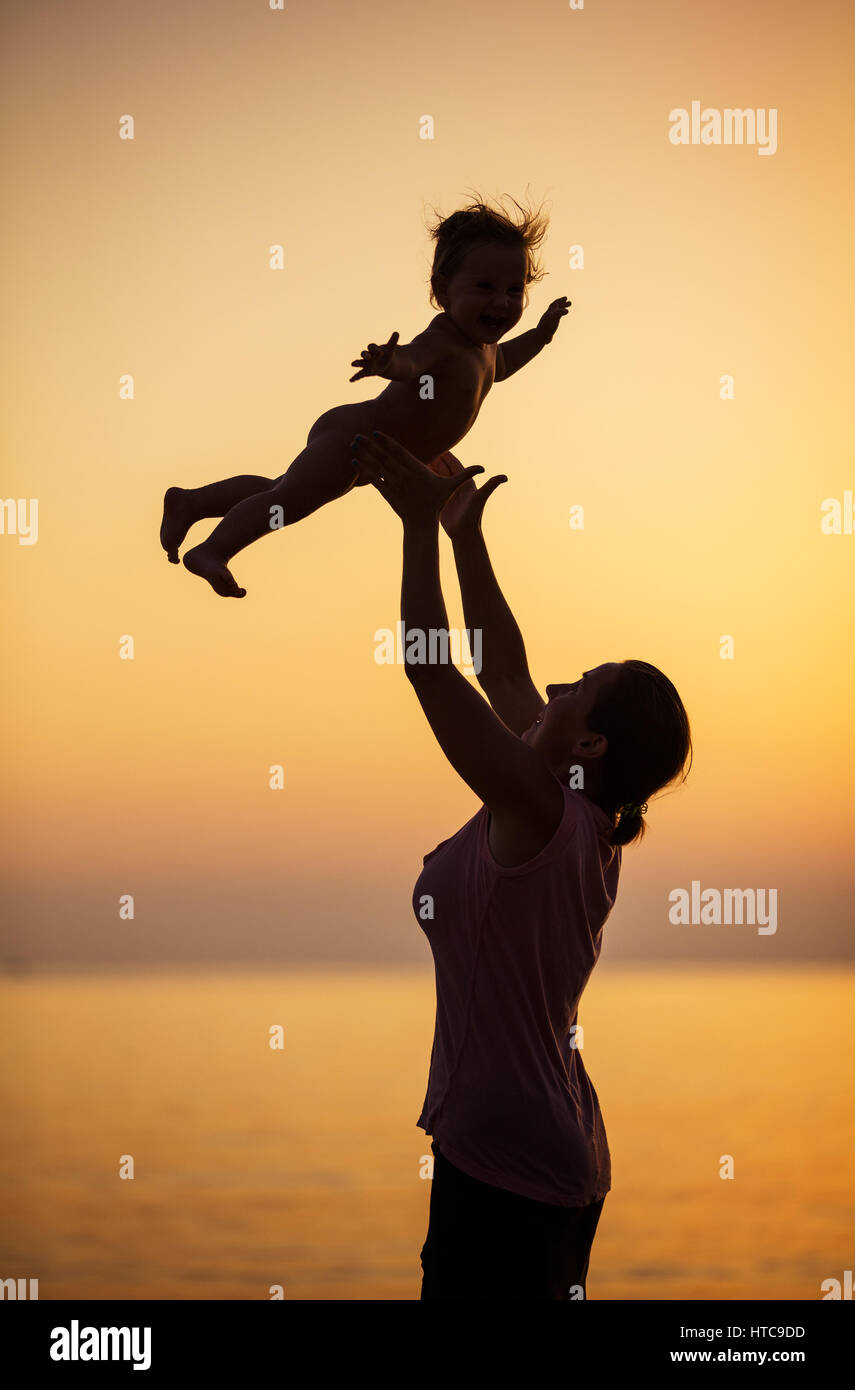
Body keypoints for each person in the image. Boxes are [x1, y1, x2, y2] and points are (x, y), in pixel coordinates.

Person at [352, 430, 693, 1301]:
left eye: (577, 686)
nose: (554, 687)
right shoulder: (565, 806)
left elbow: (433, 676)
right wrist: (464, 535)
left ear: (590, 744)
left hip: (509, 1166)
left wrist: (415, 527)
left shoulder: (540, 811)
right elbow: (500, 668)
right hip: (548, 1153)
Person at [159, 194, 571, 596]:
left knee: (280, 487)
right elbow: (413, 360)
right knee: (288, 500)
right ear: (443, 291)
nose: (501, 302)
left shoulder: (486, 351)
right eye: (484, 287)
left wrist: (540, 336)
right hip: (355, 439)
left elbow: (504, 365)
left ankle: (191, 503)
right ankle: (214, 550)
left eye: (514, 290)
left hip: (364, 446)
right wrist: (389, 363)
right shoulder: (445, 339)